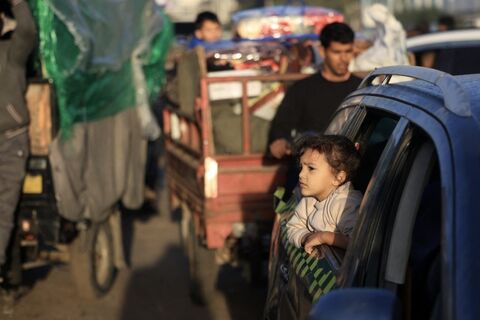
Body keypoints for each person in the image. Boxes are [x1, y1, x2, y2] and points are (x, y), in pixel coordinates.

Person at [268, 22, 362, 160]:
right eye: (337, 52)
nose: (344, 58)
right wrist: (281, 142)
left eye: (348, 51)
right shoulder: (302, 89)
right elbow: (281, 128)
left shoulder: (362, 90)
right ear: (322, 51)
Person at [0, 0, 37, 280]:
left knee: (3, 210)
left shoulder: (12, 53)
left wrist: (19, 3)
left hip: (10, 141)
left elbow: (27, 29)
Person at [286, 134, 362, 254]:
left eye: (311, 168)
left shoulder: (346, 204)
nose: (301, 174)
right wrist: (306, 238)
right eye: (301, 167)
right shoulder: (309, 199)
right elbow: (292, 227)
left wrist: (324, 237)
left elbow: (359, 243)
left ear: (338, 178)